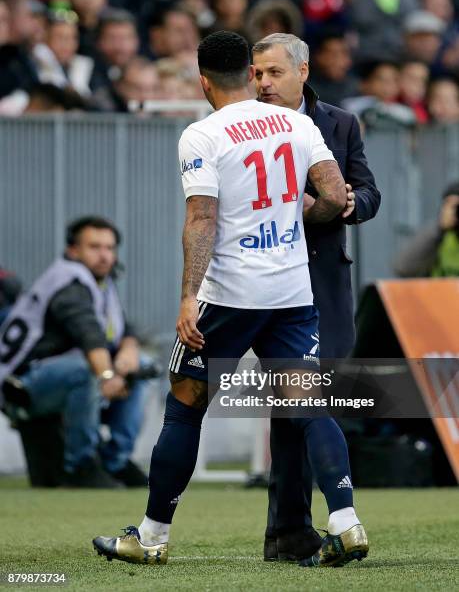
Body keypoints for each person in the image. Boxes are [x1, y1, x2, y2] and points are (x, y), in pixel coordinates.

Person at [93, 30, 368, 568]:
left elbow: (201, 219)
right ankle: (346, 521)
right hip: (292, 292)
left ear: (203, 82)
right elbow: (337, 196)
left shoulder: (203, 134)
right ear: (249, 72)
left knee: (185, 406)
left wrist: (188, 296)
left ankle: (151, 536)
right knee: (309, 407)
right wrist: (292, 222)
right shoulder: (298, 123)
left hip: (231, 295)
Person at [251, 32, 380, 563]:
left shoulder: (341, 122)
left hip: (324, 284)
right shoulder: (245, 125)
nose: (262, 83)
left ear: (302, 72)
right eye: (257, 74)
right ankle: (299, 527)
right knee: (298, 403)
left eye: (273, 73)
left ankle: (286, 532)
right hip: (267, 283)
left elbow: (368, 191)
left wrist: (349, 202)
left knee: (301, 407)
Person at [0, 216, 151, 488]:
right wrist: (107, 375)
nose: (104, 255)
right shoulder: (69, 283)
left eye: (109, 248)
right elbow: (88, 333)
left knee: (144, 365)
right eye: (94, 247)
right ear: (73, 250)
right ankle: (81, 465)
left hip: (56, 379)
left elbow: (126, 328)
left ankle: (114, 460)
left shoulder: (99, 282)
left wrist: (129, 351)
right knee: (87, 370)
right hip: (21, 385)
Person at [394, 182, 459, 278]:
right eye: (454, 207)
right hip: (440, 292)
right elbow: (402, 268)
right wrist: (439, 229)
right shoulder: (437, 236)